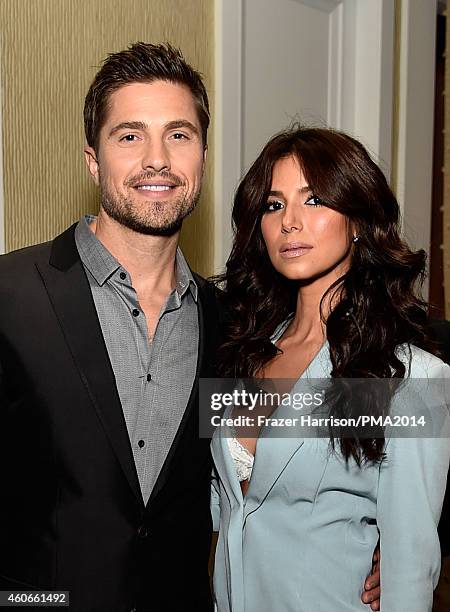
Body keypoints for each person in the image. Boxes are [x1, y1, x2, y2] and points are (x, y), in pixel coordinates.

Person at [0, 42, 221, 612]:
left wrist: (365, 541)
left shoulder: (232, 323)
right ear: (93, 160)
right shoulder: (11, 294)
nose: (157, 159)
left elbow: (295, 446)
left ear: (202, 156)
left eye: (179, 134)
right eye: (129, 136)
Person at [210, 126, 450, 611]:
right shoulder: (240, 353)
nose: (290, 222)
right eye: (274, 205)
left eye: (315, 199)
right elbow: (222, 508)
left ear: (358, 219)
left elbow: (410, 568)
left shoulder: (414, 379)